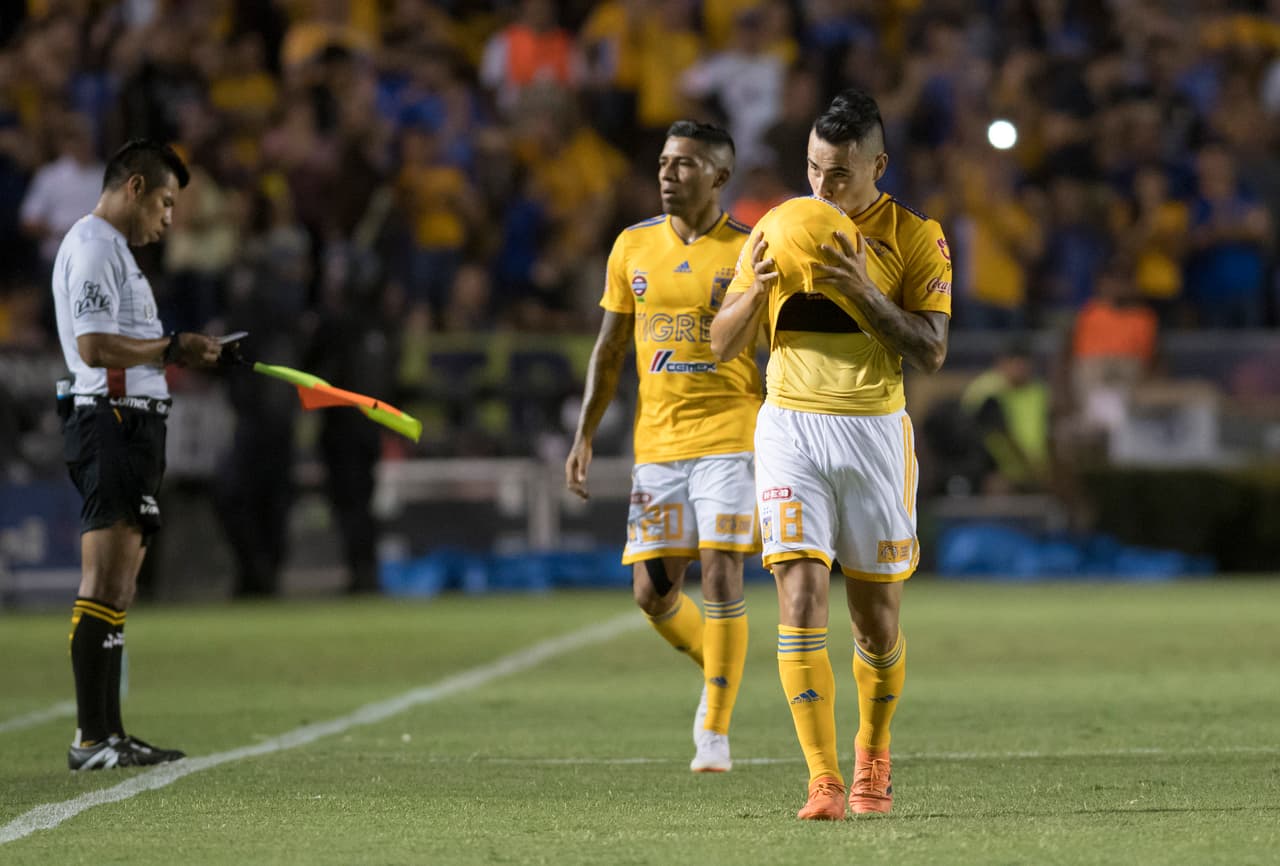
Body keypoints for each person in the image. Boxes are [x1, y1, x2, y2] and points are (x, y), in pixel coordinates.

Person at [710, 88, 952, 819]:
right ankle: (822, 780)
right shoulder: (776, 229)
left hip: (873, 432)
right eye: (814, 169)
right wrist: (752, 293)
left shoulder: (915, 237)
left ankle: (872, 753)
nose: (823, 187)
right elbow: (720, 343)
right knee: (799, 595)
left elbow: (933, 350)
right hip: (790, 428)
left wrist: (862, 293)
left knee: (875, 623)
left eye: (840, 173)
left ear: (878, 165)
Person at [566, 120, 760, 773]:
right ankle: (722, 664)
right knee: (652, 596)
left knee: (724, 567)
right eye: (663, 163)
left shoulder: (749, 251)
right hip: (659, 445)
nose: (668, 174)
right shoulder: (632, 247)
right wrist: (586, 431)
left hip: (732, 433)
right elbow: (610, 347)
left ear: (719, 176)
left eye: (684, 164)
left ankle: (714, 727)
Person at [52, 139, 225, 770]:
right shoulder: (96, 246)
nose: (170, 218)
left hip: (133, 423)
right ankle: (92, 739)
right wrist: (171, 347)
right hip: (112, 421)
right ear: (134, 188)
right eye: (165, 201)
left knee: (118, 585)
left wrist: (184, 350)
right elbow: (95, 347)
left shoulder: (115, 253)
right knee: (103, 580)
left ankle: (107, 736)